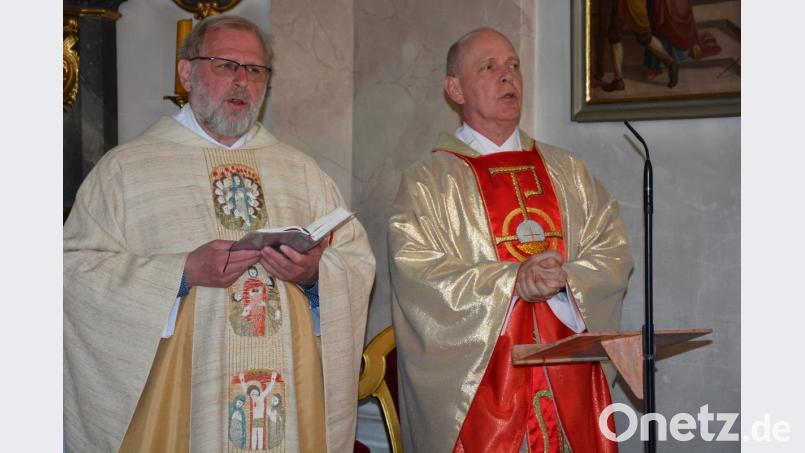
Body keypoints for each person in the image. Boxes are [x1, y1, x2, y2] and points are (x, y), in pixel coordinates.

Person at [63, 15, 375, 452]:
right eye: (226, 65)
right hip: (181, 402)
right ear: (186, 73)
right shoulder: (127, 170)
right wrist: (182, 273)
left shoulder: (301, 172)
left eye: (255, 70)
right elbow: (74, 271)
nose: (242, 81)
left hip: (286, 396)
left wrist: (313, 275)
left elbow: (356, 260)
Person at [388, 28, 634, 453]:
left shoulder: (568, 171)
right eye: (489, 67)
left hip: (570, 381)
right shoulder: (428, 183)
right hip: (483, 392)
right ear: (454, 89)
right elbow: (419, 276)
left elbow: (611, 250)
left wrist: (566, 282)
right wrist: (512, 282)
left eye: (514, 65)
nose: (509, 76)